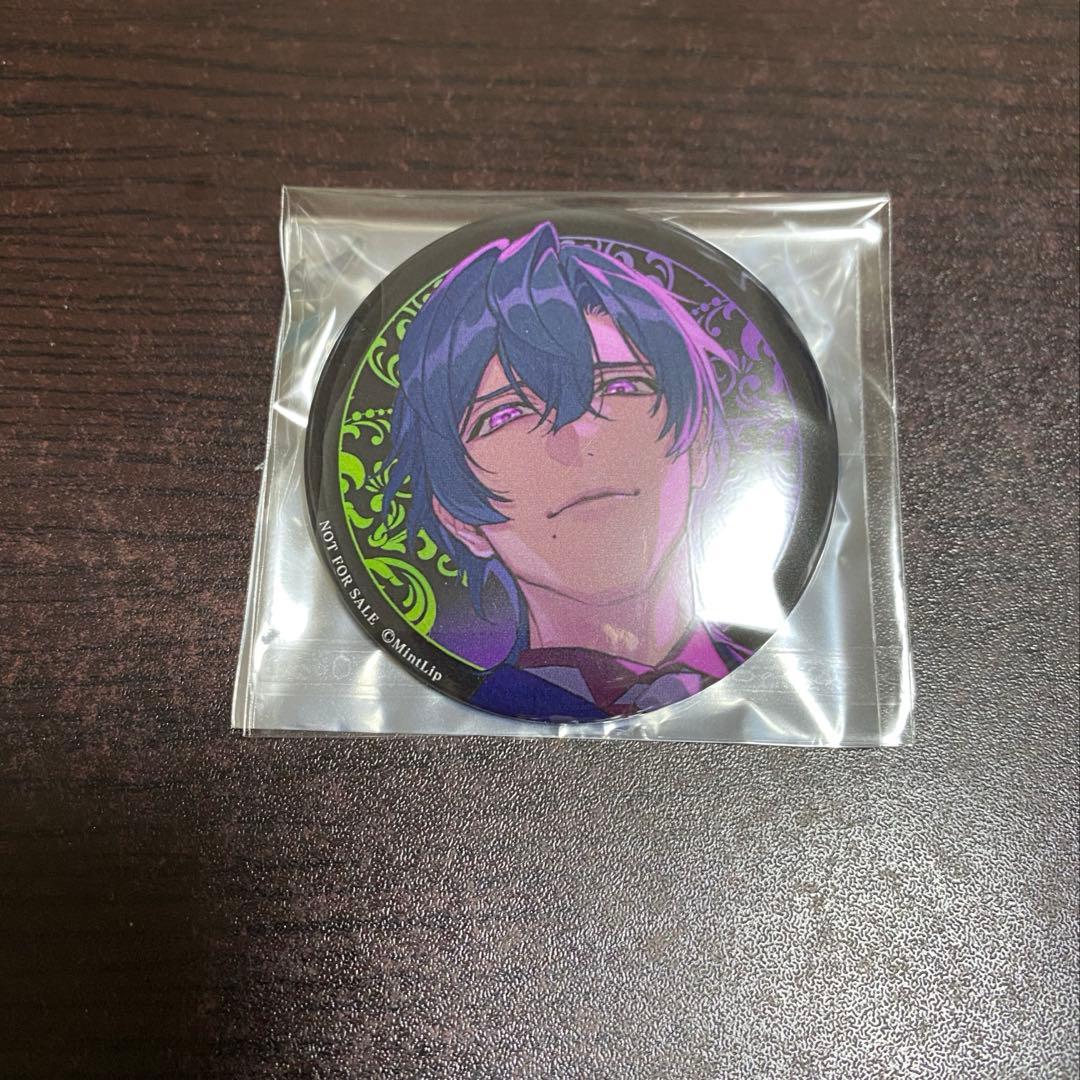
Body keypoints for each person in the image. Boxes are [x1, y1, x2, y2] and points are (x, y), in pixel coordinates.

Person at [385, 221, 749, 720]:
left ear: (699, 442)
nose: (578, 436)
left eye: (621, 387)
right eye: (506, 414)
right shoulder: (451, 716)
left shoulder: (790, 672)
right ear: (458, 517)